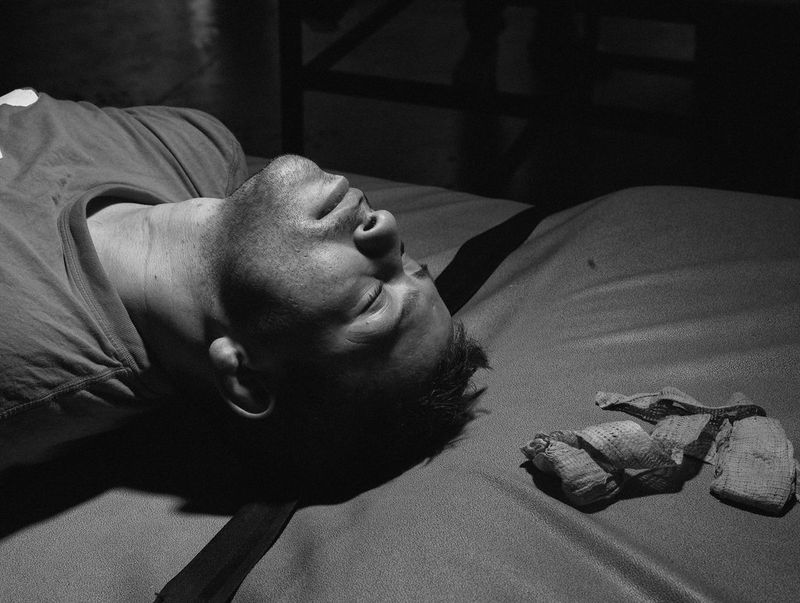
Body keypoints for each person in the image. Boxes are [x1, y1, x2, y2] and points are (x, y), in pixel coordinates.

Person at [0, 89, 487, 494]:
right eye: (405, 256)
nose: (385, 224)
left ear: (246, 378)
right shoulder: (197, 144)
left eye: (374, 299)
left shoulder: (23, 343)